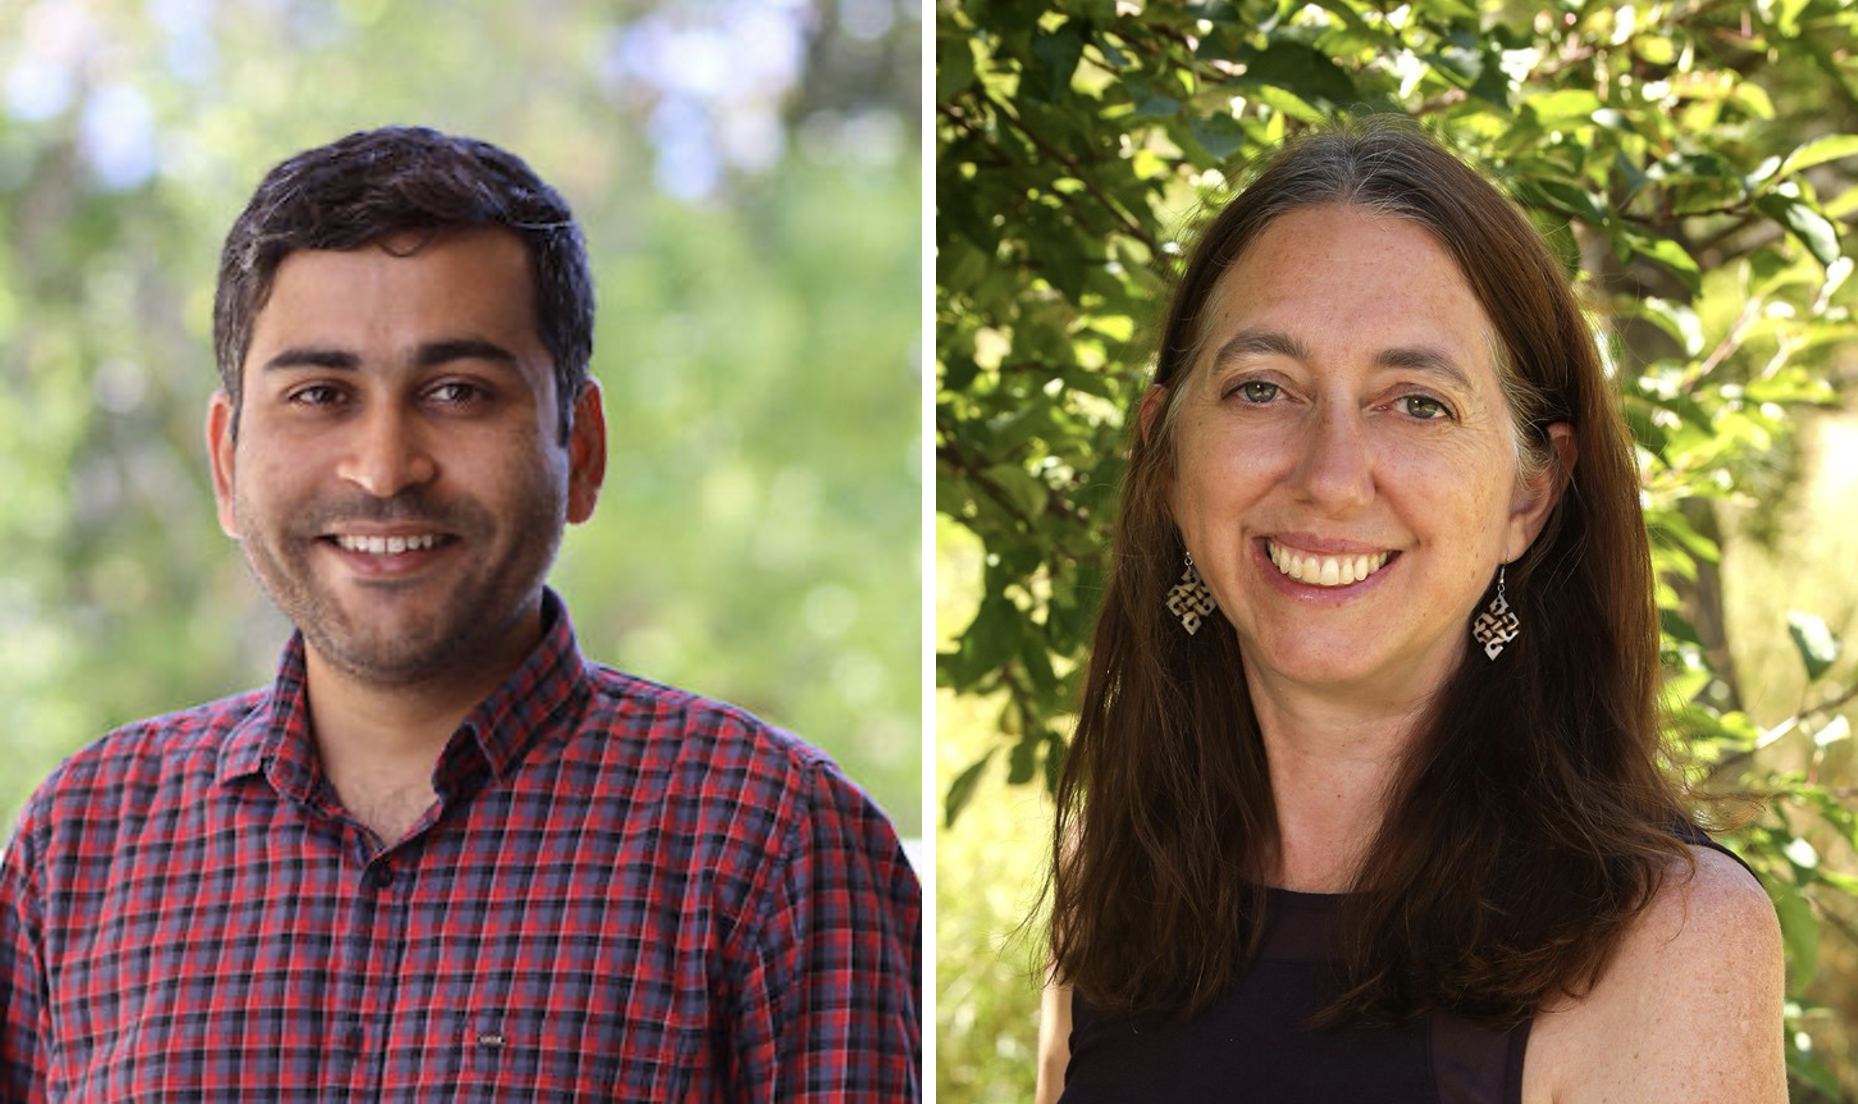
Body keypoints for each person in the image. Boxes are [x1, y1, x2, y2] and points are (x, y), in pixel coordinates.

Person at [0, 126, 920, 1100]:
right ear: (227, 464)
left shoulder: (771, 842)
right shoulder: (81, 840)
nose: (386, 466)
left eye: (458, 392)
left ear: (584, 448)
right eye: (319, 393)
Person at [1034, 123, 1783, 1103]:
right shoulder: (1121, 870)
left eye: (1416, 402)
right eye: (1263, 388)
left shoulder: (1670, 940)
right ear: (1167, 455)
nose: (1330, 478)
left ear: (1530, 493)